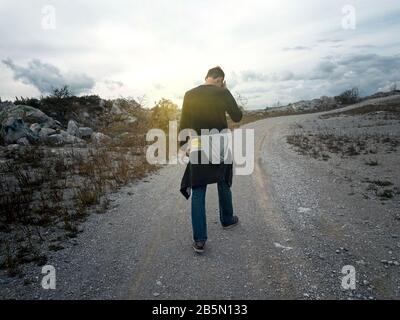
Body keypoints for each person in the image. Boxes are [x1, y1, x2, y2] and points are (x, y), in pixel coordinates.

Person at [178, 66, 243, 253]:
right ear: (220, 79)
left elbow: (184, 123)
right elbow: (237, 116)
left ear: (206, 77)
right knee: (223, 179)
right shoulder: (222, 92)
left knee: (198, 187)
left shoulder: (189, 94)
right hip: (220, 140)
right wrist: (224, 91)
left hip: (198, 142)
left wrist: (183, 146)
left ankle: (200, 240)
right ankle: (227, 219)